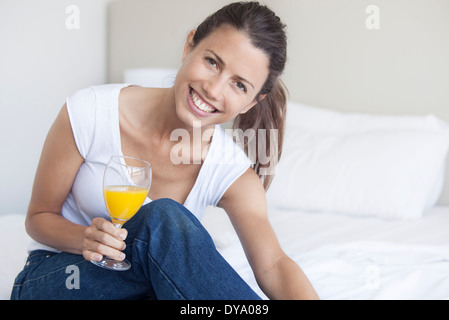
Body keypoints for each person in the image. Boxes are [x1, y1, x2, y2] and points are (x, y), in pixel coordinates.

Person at [11, 1, 318, 300]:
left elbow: (273, 265)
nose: (213, 89)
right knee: (163, 218)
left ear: (252, 102)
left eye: (239, 85)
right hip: (59, 279)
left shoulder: (230, 170)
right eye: (212, 62)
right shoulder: (91, 112)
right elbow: (38, 217)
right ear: (189, 46)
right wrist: (85, 239)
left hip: (146, 289)